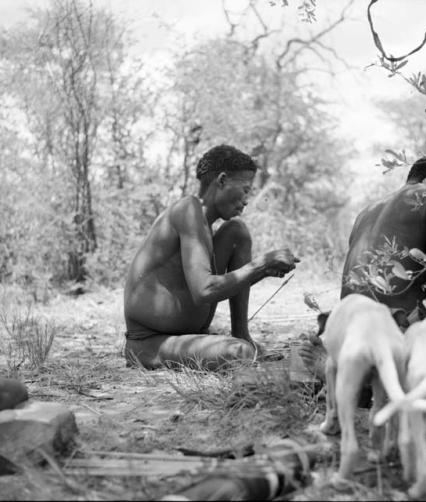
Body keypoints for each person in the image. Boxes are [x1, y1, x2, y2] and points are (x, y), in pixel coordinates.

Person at [300, 156, 426, 389]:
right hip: (393, 327)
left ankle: (347, 362)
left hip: (349, 326)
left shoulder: (367, 210)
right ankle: (386, 361)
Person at [124, 144, 300, 371]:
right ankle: (260, 358)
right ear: (222, 180)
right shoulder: (187, 210)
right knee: (238, 353)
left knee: (238, 231)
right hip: (150, 343)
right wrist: (262, 265)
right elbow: (204, 290)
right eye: (245, 190)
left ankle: (242, 334)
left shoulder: (204, 224)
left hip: (188, 337)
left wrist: (263, 270)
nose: (246, 200)